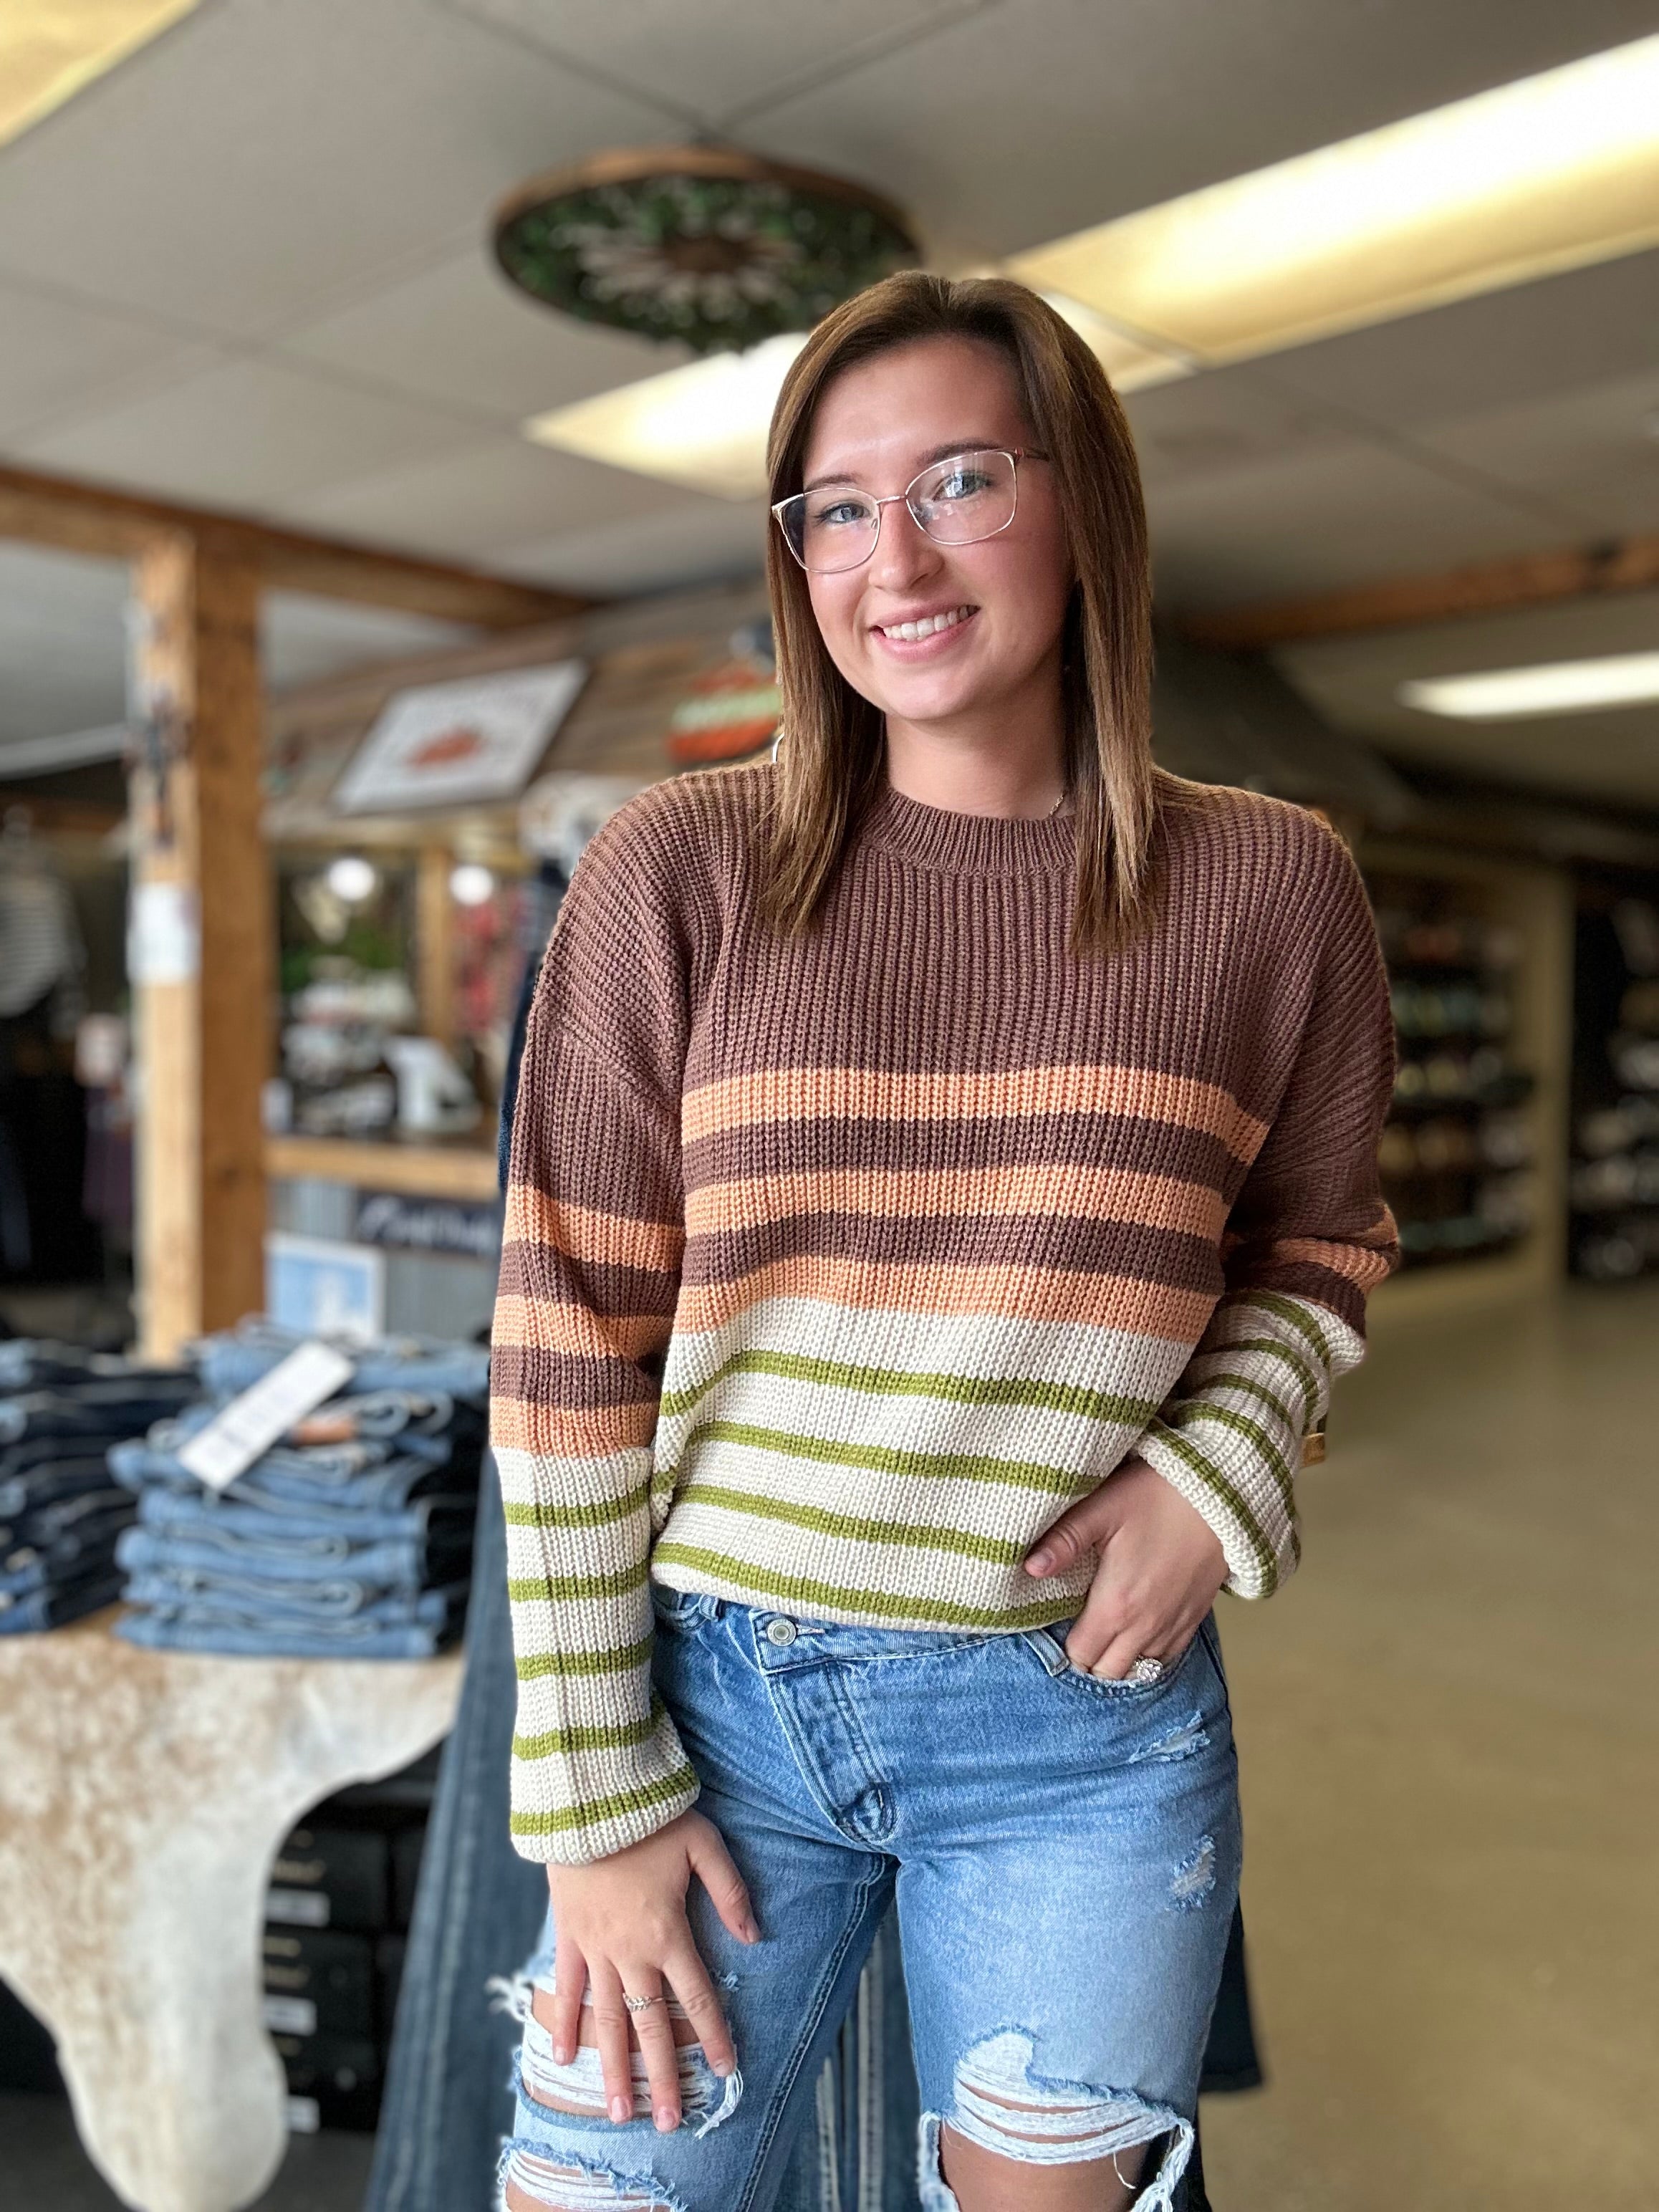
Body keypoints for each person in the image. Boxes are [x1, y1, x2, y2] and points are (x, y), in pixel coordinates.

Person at [488, 271, 1398, 2212]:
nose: (886, 554)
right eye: (831, 503)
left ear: (1086, 508)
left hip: (1079, 1734)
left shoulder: (1269, 889)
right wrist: (588, 1805)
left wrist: (1207, 1468)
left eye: (960, 479)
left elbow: (1318, 1242)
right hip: (716, 1709)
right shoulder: (678, 871)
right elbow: (567, 1347)